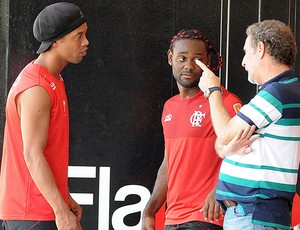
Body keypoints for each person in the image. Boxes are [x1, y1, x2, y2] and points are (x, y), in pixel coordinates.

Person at [196, 19, 300, 230]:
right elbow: (223, 143)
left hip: (254, 215)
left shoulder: (277, 93)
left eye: (246, 52)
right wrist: (227, 147)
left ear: (260, 48)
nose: (243, 62)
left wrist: (212, 90)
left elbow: (225, 134)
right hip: (252, 215)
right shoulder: (281, 91)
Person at [141, 29, 242, 230]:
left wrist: (221, 188)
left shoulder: (225, 102)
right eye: (182, 58)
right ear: (171, 58)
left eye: (197, 60)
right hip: (173, 218)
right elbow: (169, 162)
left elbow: (245, 154)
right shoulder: (170, 106)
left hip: (208, 218)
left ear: (208, 61)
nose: (188, 66)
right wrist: (150, 210)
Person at [0, 2, 89, 230]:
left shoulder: (54, 79)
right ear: (56, 41)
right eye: (78, 36)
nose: (86, 42)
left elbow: (48, 153)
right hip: (32, 213)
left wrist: (64, 197)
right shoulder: (36, 87)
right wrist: (61, 210)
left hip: (41, 211)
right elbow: (32, 155)